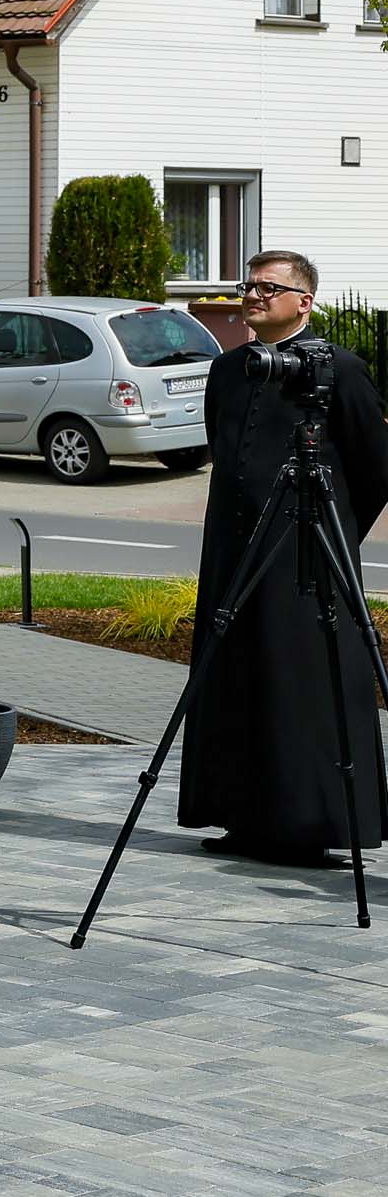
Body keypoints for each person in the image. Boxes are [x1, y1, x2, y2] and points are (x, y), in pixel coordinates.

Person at [178, 248, 388, 864]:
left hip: (306, 557)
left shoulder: (340, 370)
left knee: (303, 680)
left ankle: (311, 823)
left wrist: (334, 530)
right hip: (232, 553)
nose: (255, 295)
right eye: (249, 285)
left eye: (270, 287)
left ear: (305, 301)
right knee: (236, 676)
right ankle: (244, 816)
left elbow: (375, 468)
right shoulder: (228, 370)